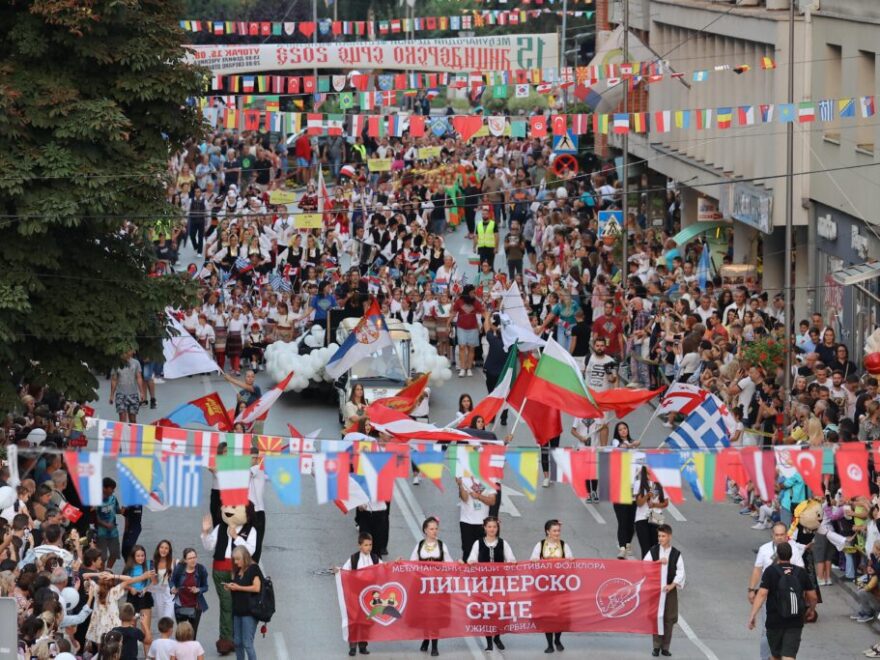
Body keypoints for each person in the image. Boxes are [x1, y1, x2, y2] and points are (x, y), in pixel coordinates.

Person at [747, 542, 816, 660]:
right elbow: (813, 596)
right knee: (789, 656)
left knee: (775, 656)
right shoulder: (801, 572)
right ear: (791, 555)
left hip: (775, 621)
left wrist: (753, 615)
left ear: (777, 555)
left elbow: (762, 594)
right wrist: (811, 609)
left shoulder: (770, 571)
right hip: (795, 621)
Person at [467, 516, 515, 651]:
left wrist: (511, 562)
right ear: (485, 528)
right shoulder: (478, 543)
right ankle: (488, 640)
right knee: (486, 611)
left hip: (500, 584)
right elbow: (471, 559)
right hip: (484, 584)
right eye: (489, 527)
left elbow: (511, 558)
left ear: (497, 528)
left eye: (494, 527)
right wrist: (470, 562)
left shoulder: (503, 543)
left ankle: (497, 637)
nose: (492, 529)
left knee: (499, 610)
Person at [410, 516, 453, 656]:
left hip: (437, 587)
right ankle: (425, 638)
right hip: (423, 586)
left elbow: (449, 564)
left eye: (436, 529)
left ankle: (434, 643)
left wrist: (459, 564)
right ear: (425, 530)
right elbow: (411, 564)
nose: (434, 531)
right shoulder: (419, 545)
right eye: (431, 529)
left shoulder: (442, 545)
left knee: (435, 615)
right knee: (424, 614)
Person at [529, 520, 574, 654]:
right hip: (545, 587)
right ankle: (549, 643)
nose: (557, 533)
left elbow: (571, 562)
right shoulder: (540, 545)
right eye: (554, 531)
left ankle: (558, 639)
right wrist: (535, 561)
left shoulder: (564, 545)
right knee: (548, 615)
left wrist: (570, 561)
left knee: (560, 615)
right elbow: (532, 561)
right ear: (547, 531)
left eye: (558, 531)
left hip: (560, 586)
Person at [644, 524, 685, 657]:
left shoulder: (676, 554)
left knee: (669, 618)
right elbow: (645, 566)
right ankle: (656, 646)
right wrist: (657, 563)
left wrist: (672, 585)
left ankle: (665, 647)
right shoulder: (653, 551)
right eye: (659, 536)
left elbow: (681, 572)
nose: (660, 538)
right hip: (656, 591)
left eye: (663, 536)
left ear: (669, 537)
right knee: (657, 617)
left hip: (669, 590)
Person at [339, 533, 382, 656]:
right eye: (365, 545)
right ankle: (353, 646)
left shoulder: (375, 559)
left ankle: (363, 644)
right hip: (355, 595)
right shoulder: (353, 559)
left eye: (370, 545)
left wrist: (395, 564)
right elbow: (345, 571)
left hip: (369, 595)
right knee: (354, 620)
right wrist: (338, 571)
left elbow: (385, 568)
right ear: (359, 546)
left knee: (366, 620)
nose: (368, 547)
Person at [224, 546, 262, 660]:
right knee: (237, 642)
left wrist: (239, 587)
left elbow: (256, 588)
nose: (235, 562)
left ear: (245, 558)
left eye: (238, 559)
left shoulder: (253, 568)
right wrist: (230, 587)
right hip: (237, 611)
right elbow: (236, 587)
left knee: (247, 643)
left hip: (249, 612)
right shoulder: (237, 571)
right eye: (234, 559)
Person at [170, 547, 209, 639]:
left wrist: (198, 589)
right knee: (181, 634)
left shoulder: (201, 569)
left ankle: (192, 653)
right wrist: (173, 588)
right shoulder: (179, 568)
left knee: (192, 635)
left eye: (194, 557)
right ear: (185, 560)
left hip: (195, 606)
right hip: (180, 605)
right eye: (190, 558)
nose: (193, 560)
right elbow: (172, 581)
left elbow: (206, 587)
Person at [457, 475, 497, 561]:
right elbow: (465, 498)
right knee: (467, 552)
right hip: (466, 521)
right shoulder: (464, 477)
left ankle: (480, 574)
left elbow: (492, 501)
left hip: (483, 523)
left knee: (482, 554)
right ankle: (468, 574)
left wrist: (479, 496)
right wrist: (460, 485)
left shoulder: (489, 478)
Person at [123, 544, 154, 648]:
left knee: (146, 629)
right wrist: (130, 588)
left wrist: (147, 588)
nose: (141, 558)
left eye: (142, 555)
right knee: (131, 627)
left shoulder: (150, 564)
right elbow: (122, 584)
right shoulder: (129, 567)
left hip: (145, 597)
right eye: (138, 556)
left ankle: (147, 657)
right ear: (133, 556)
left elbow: (154, 582)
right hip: (132, 598)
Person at [634, 466, 669, 558]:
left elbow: (665, 503)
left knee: (655, 548)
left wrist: (654, 505)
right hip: (641, 517)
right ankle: (645, 570)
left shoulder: (660, 484)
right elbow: (639, 503)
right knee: (645, 548)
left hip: (656, 515)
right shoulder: (639, 483)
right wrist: (647, 495)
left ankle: (654, 570)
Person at [482, 310, 509, 426]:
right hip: (504, 374)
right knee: (504, 395)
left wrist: (487, 317)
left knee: (492, 394)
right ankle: (503, 418)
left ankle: (492, 416)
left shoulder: (493, 341)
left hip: (491, 372)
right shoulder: (511, 345)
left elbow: (486, 328)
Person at [450, 285, 483, 377]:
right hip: (461, 327)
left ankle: (469, 368)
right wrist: (447, 323)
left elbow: (483, 311)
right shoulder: (459, 301)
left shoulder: (476, 302)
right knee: (461, 347)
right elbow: (453, 313)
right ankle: (462, 368)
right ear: (468, 292)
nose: (474, 294)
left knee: (471, 348)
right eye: (473, 292)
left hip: (473, 328)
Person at [109, 351, 145, 424]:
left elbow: (139, 378)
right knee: (122, 419)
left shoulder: (136, 363)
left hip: (133, 394)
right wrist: (112, 395)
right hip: (120, 394)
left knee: (132, 420)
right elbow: (114, 380)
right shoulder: (117, 364)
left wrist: (142, 392)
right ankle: (123, 435)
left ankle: (133, 434)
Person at [96, 478, 123, 570]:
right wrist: (105, 524)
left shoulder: (113, 498)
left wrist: (123, 509)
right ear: (104, 488)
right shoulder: (96, 501)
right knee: (103, 557)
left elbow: (118, 510)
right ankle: (102, 574)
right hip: (101, 533)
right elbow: (94, 518)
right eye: (112, 488)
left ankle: (108, 570)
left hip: (113, 532)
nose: (113, 491)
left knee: (115, 553)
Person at [151, 540, 176, 625]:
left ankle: (167, 637)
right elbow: (154, 582)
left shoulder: (174, 562)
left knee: (168, 620)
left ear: (169, 551)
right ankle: (164, 637)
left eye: (166, 548)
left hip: (170, 594)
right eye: (162, 547)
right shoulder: (153, 563)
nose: (164, 550)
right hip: (158, 593)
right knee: (161, 620)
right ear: (158, 549)